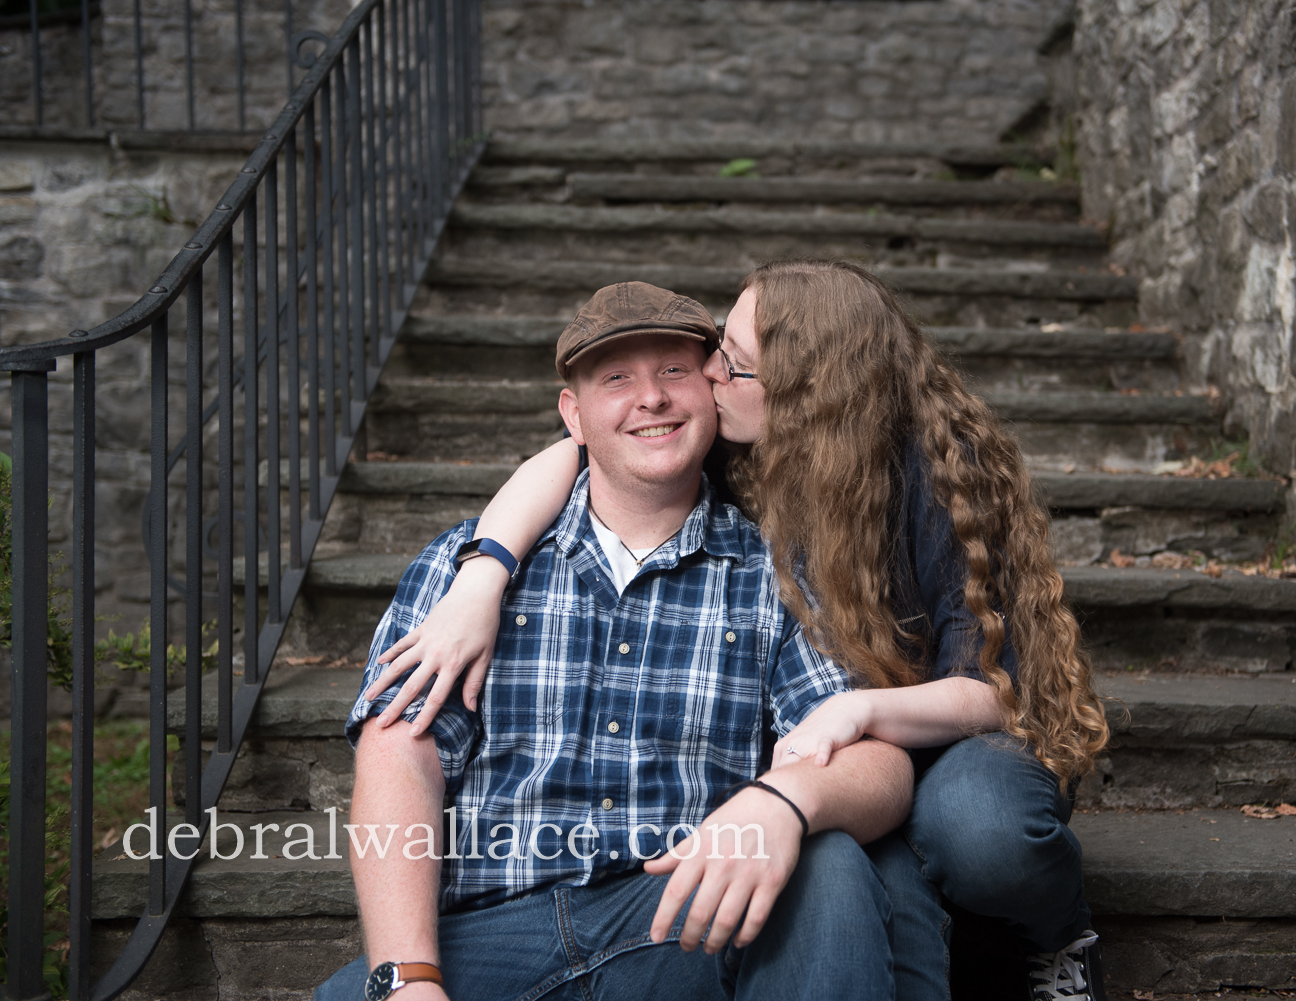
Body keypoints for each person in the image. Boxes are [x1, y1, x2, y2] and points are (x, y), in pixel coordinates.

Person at [379, 261, 1111, 1001]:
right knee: (867, 871)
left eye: (727, 362)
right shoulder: (725, 442)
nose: (705, 372)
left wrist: (856, 716)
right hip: (829, 751)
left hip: (948, 733)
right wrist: (484, 570)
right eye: (719, 350)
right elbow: (583, 449)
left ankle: (1057, 934)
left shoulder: (933, 470)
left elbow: (999, 686)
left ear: (801, 393)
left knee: (973, 830)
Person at [317, 281, 914, 1001]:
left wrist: (782, 800)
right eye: (617, 379)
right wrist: (406, 977)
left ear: (715, 390)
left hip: (683, 919)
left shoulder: (778, 572)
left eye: (673, 371)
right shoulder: (466, 566)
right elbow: (398, 753)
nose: (652, 398)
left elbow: (879, 764)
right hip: (501, 927)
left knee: (832, 865)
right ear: (573, 413)